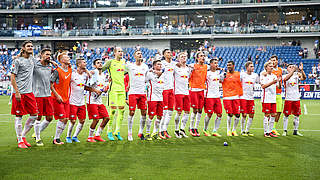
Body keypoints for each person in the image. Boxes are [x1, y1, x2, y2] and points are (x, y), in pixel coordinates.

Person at [66, 58, 101, 143]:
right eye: (84, 62)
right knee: (73, 120)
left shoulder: (85, 75)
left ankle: (75, 136)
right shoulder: (72, 74)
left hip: (81, 101)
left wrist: (94, 90)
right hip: (72, 101)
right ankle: (68, 136)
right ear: (79, 64)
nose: (85, 63)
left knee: (82, 121)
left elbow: (86, 85)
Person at [11, 40, 38, 148]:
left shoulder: (32, 59)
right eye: (28, 46)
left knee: (34, 115)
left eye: (32, 46)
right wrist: (17, 92)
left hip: (29, 92)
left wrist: (52, 62)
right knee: (19, 116)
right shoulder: (17, 61)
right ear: (23, 48)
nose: (31, 47)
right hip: (19, 92)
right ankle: (19, 140)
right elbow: (12, 77)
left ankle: (23, 136)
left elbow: (41, 62)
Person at [31, 48, 57, 146]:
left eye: (50, 54)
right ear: (41, 55)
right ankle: (38, 138)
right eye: (46, 54)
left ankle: (35, 133)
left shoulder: (50, 66)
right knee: (38, 117)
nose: (48, 56)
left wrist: (52, 62)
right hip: (37, 95)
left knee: (50, 117)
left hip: (48, 95)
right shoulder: (35, 65)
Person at [102, 47, 126, 141]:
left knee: (122, 110)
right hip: (113, 89)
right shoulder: (110, 62)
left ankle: (117, 131)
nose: (121, 53)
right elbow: (101, 69)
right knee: (112, 111)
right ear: (115, 53)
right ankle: (109, 131)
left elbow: (128, 72)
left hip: (122, 89)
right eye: (119, 51)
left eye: (122, 51)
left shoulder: (124, 62)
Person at [126, 50, 149, 141]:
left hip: (142, 92)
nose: (140, 55)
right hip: (133, 92)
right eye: (138, 54)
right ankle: (129, 132)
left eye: (141, 54)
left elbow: (146, 78)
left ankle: (140, 132)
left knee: (144, 113)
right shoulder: (130, 66)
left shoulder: (145, 67)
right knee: (132, 112)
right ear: (134, 56)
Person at [51, 52, 72, 145]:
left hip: (66, 98)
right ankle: (56, 139)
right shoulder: (57, 71)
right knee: (62, 118)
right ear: (61, 60)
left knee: (66, 119)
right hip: (57, 98)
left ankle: (57, 138)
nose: (68, 58)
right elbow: (50, 84)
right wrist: (57, 95)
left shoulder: (70, 69)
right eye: (66, 57)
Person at [86, 59, 110, 142]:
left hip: (99, 101)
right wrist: (95, 90)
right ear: (94, 66)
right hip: (91, 100)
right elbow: (85, 87)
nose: (100, 64)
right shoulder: (92, 74)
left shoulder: (103, 75)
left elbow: (103, 87)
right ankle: (89, 137)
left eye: (101, 63)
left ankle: (97, 135)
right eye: (98, 63)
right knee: (96, 119)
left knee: (106, 118)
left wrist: (105, 89)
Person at [282, 63, 306, 136]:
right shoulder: (285, 76)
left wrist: (301, 70)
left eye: (292, 67)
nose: (292, 68)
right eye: (290, 67)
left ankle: (295, 131)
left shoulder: (296, 75)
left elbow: (304, 78)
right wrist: (293, 71)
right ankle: (285, 131)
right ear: (287, 69)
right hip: (288, 98)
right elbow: (286, 79)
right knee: (286, 115)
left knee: (297, 115)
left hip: (296, 98)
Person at [220, 61, 243, 137]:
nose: (228, 66)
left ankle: (234, 130)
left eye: (230, 65)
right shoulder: (224, 74)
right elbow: (220, 81)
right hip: (227, 97)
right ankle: (228, 130)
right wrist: (222, 75)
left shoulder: (238, 74)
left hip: (236, 96)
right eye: (227, 65)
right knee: (230, 114)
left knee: (237, 114)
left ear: (233, 65)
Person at [188, 51, 207, 137]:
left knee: (200, 110)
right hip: (193, 89)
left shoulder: (206, 67)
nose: (203, 57)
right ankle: (191, 127)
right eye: (201, 56)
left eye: (203, 56)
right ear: (197, 58)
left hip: (202, 90)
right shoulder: (193, 66)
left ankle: (196, 127)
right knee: (195, 109)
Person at [260, 61, 281, 138]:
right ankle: (266, 132)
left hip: (273, 98)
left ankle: (270, 131)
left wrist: (279, 81)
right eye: (270, 66)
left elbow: (278, 87)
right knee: (267, 115)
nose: (272, 67)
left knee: (273, 115)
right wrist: (273, 82)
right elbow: (263, 86)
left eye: (272, 66)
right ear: (266, 67)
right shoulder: (263, 75)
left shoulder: (274, 76)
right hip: (266, 98)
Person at [173, 52, 191, 138]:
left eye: (185, 56)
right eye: (181, 57)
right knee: (179, 112)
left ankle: (182, 130)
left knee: (187, 111)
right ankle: (176, 130)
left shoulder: (188, 68)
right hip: (178, 92)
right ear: (178, 58)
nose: (184, 58)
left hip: (186, 92)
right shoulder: (175, 68)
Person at [159, 49, 176, 139]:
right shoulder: (161, 63)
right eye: (168, 53)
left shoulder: (174, 64)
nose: (170, 54)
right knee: (164, 111)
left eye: (170, 52)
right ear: (164, 54)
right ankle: (160, 130)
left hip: (171, 89)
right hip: (164, 89)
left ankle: (165, 129)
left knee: (170, 111)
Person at [203, 59, 222, 137]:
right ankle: (205, 129)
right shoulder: (207, 73)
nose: (216, 64)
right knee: (209, 114)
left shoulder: (218, 73)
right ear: (210, 64)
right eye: (214, 63)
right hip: (209, 96)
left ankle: (215, 130)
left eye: (217, 63)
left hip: (217, 96)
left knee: (219, 114)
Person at [146, 60, 165, 141]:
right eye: (158, 64)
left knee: (160, 116)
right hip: (152, 98)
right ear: (154, 66)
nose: (160, 66)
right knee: (151, 116)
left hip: (160, 98)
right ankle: (147, 133)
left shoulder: (163, 75)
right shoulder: (150, 74)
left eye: (161, 64)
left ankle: (155, 132)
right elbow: (144, 80)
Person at [239, 61, 259, 136]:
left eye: (253, 66)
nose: (253, 67)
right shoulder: (242, 75)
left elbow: (259, 82)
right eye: (251, 66)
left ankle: (247, 130)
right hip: (243, 97)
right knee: (244, 114)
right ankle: (242, 130)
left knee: (251, 114)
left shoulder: (255, 75)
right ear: (247, 67)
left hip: (251, 98)